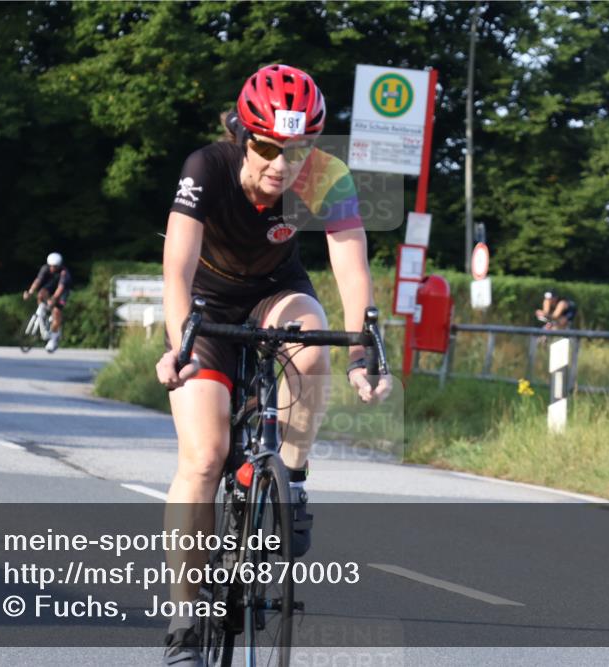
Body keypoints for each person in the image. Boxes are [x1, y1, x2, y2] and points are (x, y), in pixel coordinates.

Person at [155, 63, 392, 665]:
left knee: (312, 337)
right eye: (266, 148)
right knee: (204, 457)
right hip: (205, 307)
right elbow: (177, 266)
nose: (280, 166)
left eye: (299, 149)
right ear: (242, 134)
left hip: (274, 292)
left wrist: (365, 350)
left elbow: (351, 265)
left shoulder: (326, 177)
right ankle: (185, 623)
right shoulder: (205, 168)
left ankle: (294, 478)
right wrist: (178, 346)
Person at [22, 252, 71, 353]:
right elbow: (38, 281)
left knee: (56, 312)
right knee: (41, 294)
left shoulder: (64, 272)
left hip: (62, 292)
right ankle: (42, 312)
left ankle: (53, 340)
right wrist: (30, 292)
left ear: (59, 265)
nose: (52, 268)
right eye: (51, 266)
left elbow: (60, 288)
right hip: (50, 288)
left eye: (55, 266)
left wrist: (53, 299)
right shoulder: (45, 269)